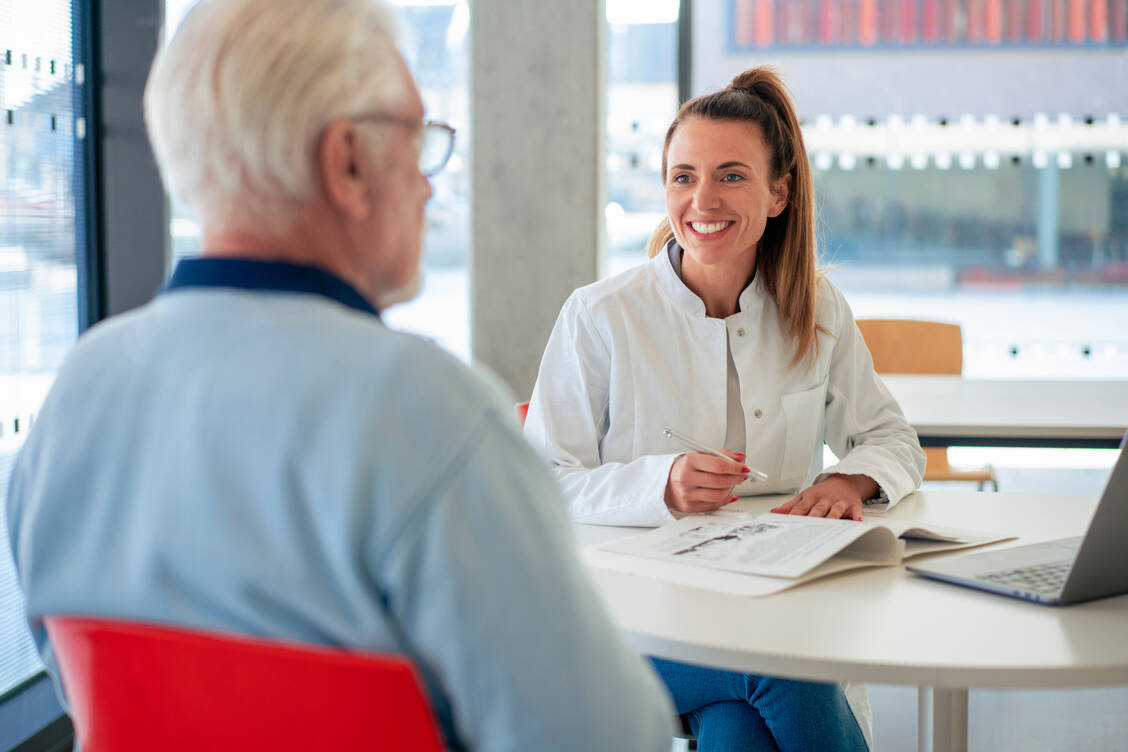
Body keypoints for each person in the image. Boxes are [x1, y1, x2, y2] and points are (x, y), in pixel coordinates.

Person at [5, 1, 677, 749]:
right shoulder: (428, 415)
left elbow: (91, 693)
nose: (430, 186)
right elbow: (611, 738)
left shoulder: (78, 392)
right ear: (348, 161)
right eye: (420, 140)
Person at [523, 66, 927, 751]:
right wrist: (662, 483)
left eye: (731, 175)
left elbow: (890, 436)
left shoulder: (818, 311)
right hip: (628, 627)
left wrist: (849, 478)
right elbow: (538, 482)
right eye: (683, 177)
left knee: (739, 729)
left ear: (779, 193)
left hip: (770, 602)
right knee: (783, 672)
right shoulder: (601, 315)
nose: (701, 198)